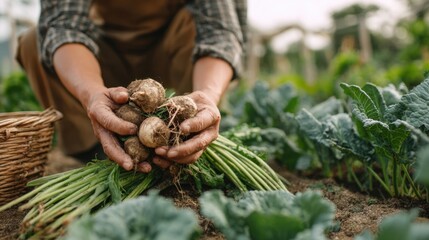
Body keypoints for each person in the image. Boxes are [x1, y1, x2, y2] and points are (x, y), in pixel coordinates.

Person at [16, 0, 247, 172]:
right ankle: (95, 150)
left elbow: (220, 33)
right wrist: (92, 94)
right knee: (33, 41)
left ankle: (183, 136)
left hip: (172, 56)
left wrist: (207, 94)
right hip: (102, 59)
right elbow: (63, 27)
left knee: (195, 26)